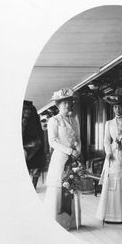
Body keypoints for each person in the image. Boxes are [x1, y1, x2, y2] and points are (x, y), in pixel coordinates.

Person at [44, 88, 81, 230]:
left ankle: (70, 222)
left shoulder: (74, 120)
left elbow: (77, 139)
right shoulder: (54, 120)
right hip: (60, 159)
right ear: (58, 105)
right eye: (64, 103)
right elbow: (52, 141)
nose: (67, 105)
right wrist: (69, 151)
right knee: (60, 186)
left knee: (71, 185)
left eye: (69, 103)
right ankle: (57, 222)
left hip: (73, 159)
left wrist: (78, 150)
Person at [96, 88, 122, 223]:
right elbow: (106, 140)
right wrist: (108, 153)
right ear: (113, 109)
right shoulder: (109, 123)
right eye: (116, 107)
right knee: (113, 180)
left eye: (120, 107)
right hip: (114, 154)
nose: (118, 109)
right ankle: (113, 215)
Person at [22, 100, 45, 189]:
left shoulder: (28, 116)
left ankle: (32, 187)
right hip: (33, 144)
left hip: (32, 144)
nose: (27, 112)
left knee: (34, 167)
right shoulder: (31, 111)